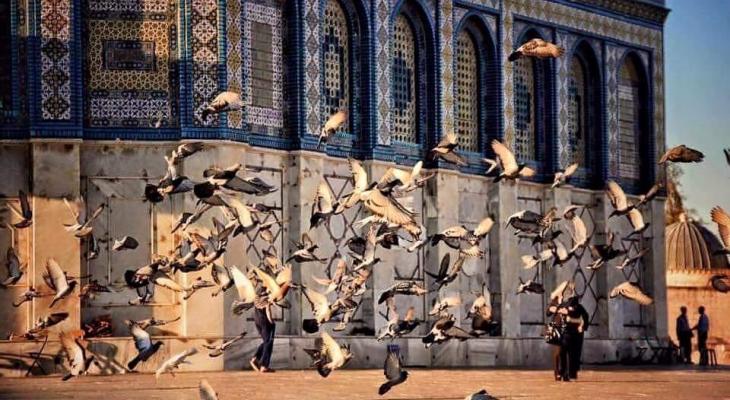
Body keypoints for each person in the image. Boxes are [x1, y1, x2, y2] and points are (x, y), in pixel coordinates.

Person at [546, 281, 575, 381]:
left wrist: (566, 311)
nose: (569, 290)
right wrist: (556, 308)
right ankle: (557, 373)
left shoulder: (572, 300)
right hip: (557, 328)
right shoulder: (556, 299)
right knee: (558, 352)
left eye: (571, 289)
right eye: (568, 288)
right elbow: (548, 312)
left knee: (565, 351)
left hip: (567, 328)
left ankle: (565, 373)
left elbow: (573, 311)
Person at [250, 285, 276, 373]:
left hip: (257, 321)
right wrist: (271, 321)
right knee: (269, 342)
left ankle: (255, 358)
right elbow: (268, 309)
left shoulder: (256, 298)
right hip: (265, 321)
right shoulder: (266, 298)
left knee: (266, 341)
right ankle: (264, 366)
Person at [565, 295, 589, 380]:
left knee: (576, 353)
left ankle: (573, 373)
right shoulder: (565, 307)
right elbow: (565, 319)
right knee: (569, 354)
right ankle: (569, 373)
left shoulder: (579, 307)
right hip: (568, 333)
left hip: (577, 334)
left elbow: (585, 316)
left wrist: (582, 326)